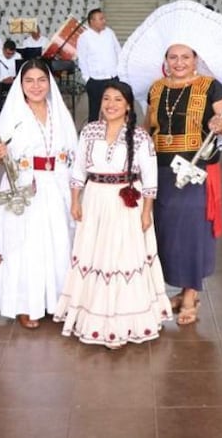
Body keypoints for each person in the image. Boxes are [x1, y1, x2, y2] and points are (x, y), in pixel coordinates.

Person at [54, 80, 170, 348]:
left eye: (118, 99)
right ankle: (93, 317)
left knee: (123, 257)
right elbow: (78, 169)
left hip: (127, 203)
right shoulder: (90, 131)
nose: (111, 104)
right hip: (95, 199)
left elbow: (150, 179)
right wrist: (75, 200)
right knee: (95, 254)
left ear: (128, 106)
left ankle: (124, 321)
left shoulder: (140, 137)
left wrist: (146, 213)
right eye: (107, 98)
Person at [0, 59, 77, 330]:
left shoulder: (59, 111)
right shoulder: (13, 113)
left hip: (57, 183)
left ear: (50, 82)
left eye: (41, 80)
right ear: (21, 84)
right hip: (26, 184)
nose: (36, 86)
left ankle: (58, 300)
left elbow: (72, 149)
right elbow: (0, 154)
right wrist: (1, 154)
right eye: (29, 81)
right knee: (26, 245)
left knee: (58, 241)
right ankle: (26, 304)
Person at [149, 43, 222, 325]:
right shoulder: (156, 88)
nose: (179, 62)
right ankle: (177, 288)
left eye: (185, 57)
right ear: (166, 60)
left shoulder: (211, 87)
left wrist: (220, 124)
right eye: (173, 57)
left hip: (197, 169)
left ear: (196, 59)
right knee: (166, 231)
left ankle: (190, 293)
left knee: (193, 230)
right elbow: (150, 126)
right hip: (161, 169)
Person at [76, 8, 121, 123]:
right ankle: (93, 132)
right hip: (95, 81)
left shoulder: (109, 33)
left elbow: (118, 51)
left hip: (113, 77)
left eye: (103, 18)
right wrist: (87, 79)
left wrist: (119, 72)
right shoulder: (84, 37)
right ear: (92, 21)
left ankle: (115, 130)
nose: (104, 21)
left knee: (115, 108)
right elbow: (82, 60)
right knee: (94, 111)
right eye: (101, 19)